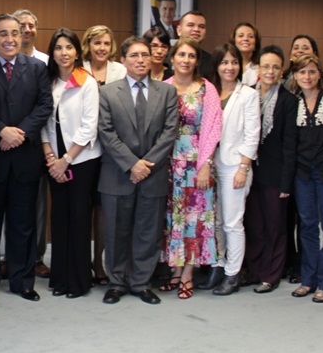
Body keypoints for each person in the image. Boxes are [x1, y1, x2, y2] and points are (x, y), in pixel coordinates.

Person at [0, 13, 53, 303]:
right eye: (3, 33)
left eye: (15, 33)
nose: (10, 39)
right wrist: (2, 131)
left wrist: (21, 133)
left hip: (25, 160)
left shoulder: (38, 67)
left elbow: (44, 105)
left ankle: (22, 281)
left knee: (23, 225)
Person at [99, 36, 179, 305]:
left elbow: (170, 133)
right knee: (116, 231)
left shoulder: (167, 92)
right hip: (118, 173)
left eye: (145, 55)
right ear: (123, 60)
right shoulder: (108, 92)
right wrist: (132, 164)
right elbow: (106, 133)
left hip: (153, 174)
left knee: (148, 231)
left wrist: (144, 166)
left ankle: (141, 283)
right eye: (134, 55)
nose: (141, 60)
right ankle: (117, 282)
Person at [159, 38, 222, 299]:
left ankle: (188, 274)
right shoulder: (162, 88)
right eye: (181, 55)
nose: (186, 60)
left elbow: (213, 128)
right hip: (168, 162)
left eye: (191, 56)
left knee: (194, 220)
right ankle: (175, 270)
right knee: (173, 218)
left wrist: (205, 164)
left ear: (197, 61)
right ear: (172, 59)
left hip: (197, 161)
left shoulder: (207, 89)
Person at [42, 28, 102, 298]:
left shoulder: (86, 82)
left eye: (68, 48)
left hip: (81, 160)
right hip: (54, 161)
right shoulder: (48, 81)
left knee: (78, 218)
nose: (63, 53)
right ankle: (60, 278)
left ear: (77, 52)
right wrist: (51, 159)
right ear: (52, 52)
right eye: (58, 48)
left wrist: (66, 160)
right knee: (59, 218)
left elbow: (89, 127)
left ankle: (78, 281)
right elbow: (42, 123)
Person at [289, 54, 323, 304]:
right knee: (307, 226)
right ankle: (308, 279)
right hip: (303, 173)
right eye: (302, 72)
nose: (307, 77)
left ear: (320, 73)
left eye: (311, 72)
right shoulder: (293, 103)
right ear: (295, 76)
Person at [206, 44, 259, 295]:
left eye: (234, 62)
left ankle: (232, 274)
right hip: (209, 164)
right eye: (224, 62)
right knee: (214, 221)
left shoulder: (247, 94)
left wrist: (243, 168)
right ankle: (218, 264)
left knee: (232, 223)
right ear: (217, 66)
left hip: (234, 165)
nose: (229, 67)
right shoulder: (210, 91)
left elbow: (252, 135)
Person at [244, 45, 298, 293]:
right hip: (249, 171)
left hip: (275, 175)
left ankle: (271, 274)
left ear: (282, 70)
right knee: (254, 225)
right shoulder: (247, 95)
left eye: (276, 66)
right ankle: (254, 271)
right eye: (266, 66)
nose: (270, 71)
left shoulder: (288, 101)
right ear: (258, 68)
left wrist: (286, 184)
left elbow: (290, 146)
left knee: (275, 226)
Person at [81, 25, 126, 286]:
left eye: (106, 44)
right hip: (82, 148)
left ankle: (100, 265)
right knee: (82, 209)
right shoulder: (79, 69)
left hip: (111, 150)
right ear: (88, 44)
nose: (102, 48)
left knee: (104, 211)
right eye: (97, 43)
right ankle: (82, 261)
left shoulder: (119, 70)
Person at [14, 8, 51, 279]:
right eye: (21, 25)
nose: (27, 29)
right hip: (5, 142)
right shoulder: (2, 59)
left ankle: (37, 256)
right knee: (8, 205)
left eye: (31, 24)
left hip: (37, 142)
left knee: (37, 205)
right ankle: (9, 257)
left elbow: (45, 104)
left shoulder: (46, 62)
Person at [175, 10, 212, 78]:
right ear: (179, 30)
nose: (196, 29)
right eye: (191, 25)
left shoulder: (212, 61)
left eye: (201, 26)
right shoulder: (165, 58)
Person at [231, 22, 261, 87]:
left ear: (256, 44)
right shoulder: (226, 66)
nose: (245, 39)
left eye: (250, 36)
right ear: (233, 41)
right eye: (241, 35)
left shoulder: (261, 69)